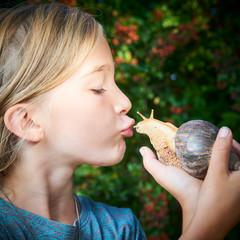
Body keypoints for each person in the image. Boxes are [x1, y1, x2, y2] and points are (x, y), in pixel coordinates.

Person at [0, 3, 239, 240]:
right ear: (28, 121)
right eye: (98, 88)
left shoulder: (120, 229)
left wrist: (193, 203)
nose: (126, 102)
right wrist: (209, 228)